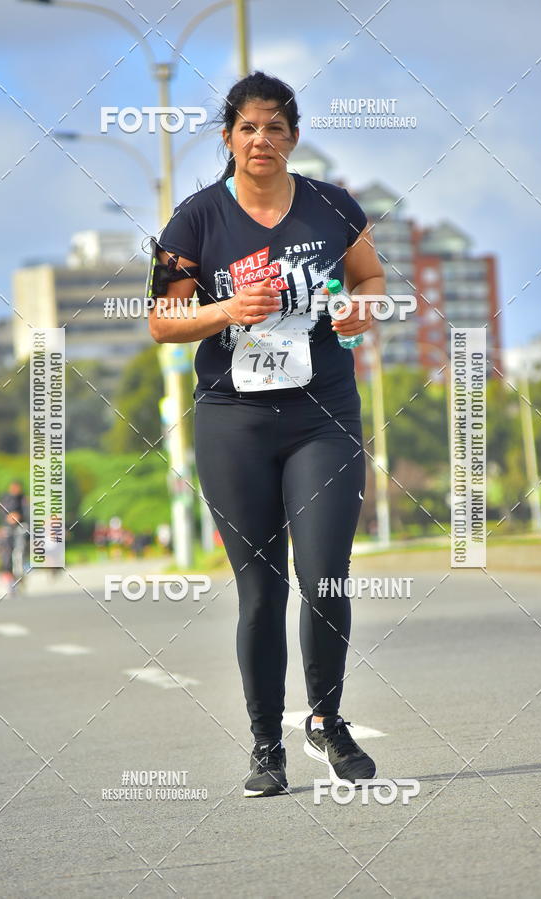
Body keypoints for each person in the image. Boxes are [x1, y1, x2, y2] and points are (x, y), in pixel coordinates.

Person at [149, 71, 386, 798]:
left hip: (322, 412)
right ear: (227, 138)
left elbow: (372, 280)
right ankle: (265, 746)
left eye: (276, 127)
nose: (262, 140)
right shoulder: (195, 219)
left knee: (325, 575)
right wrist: (225, 310)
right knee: (262, 587)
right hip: (235, 422)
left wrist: (360, 313)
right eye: (248, 128)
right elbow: (162, 319)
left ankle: (326, 719)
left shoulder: (331, 205)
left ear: (293, 137)